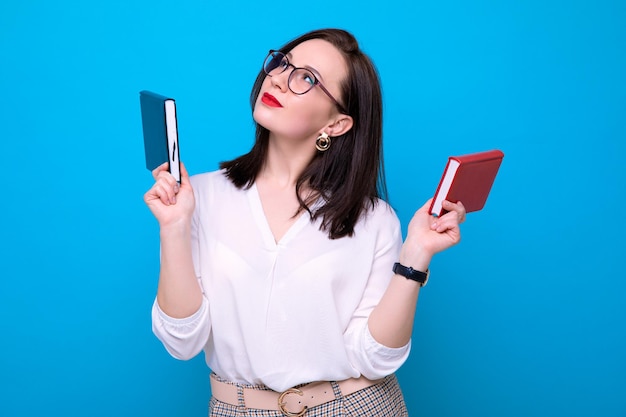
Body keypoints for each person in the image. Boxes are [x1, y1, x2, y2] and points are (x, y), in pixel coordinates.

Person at [144, 28, 466, 417]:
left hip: (354, 407)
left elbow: (376, 358)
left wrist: (416, 254)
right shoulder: (200, 197)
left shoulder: (374, 220)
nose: (278, 78)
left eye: (307, 78)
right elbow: (182, 342)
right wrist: (174, 227)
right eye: (282, 63)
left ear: (336, 124)